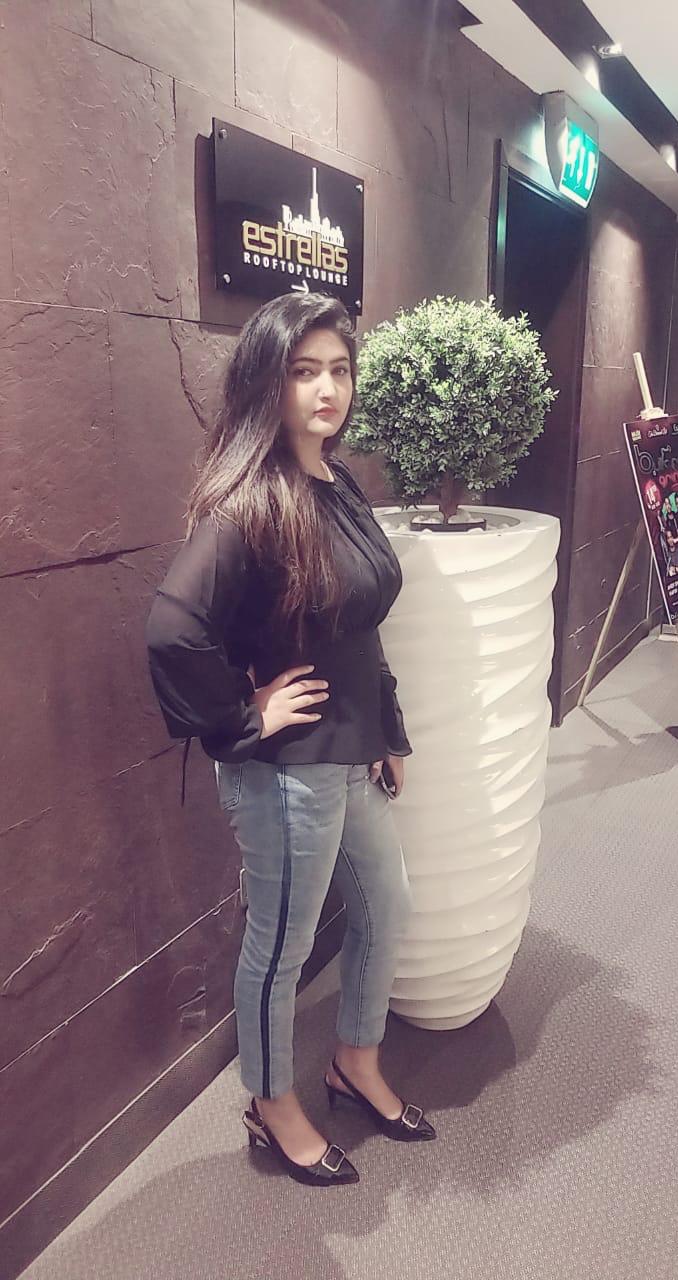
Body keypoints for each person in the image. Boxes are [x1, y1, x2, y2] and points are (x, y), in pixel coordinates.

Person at [146, 292, 435, 1189]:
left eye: (339, 370)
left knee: (387, 906)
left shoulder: (336, 484)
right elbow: (172, 630)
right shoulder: (250, 503)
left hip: (348, 755)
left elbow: (358, 626)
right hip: (284, 774)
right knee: (281, 947)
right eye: (304, 371)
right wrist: (244, 717)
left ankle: (354, 1061)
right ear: (268, 382)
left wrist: (386, 729)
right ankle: (272, 1106)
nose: (326, 389)